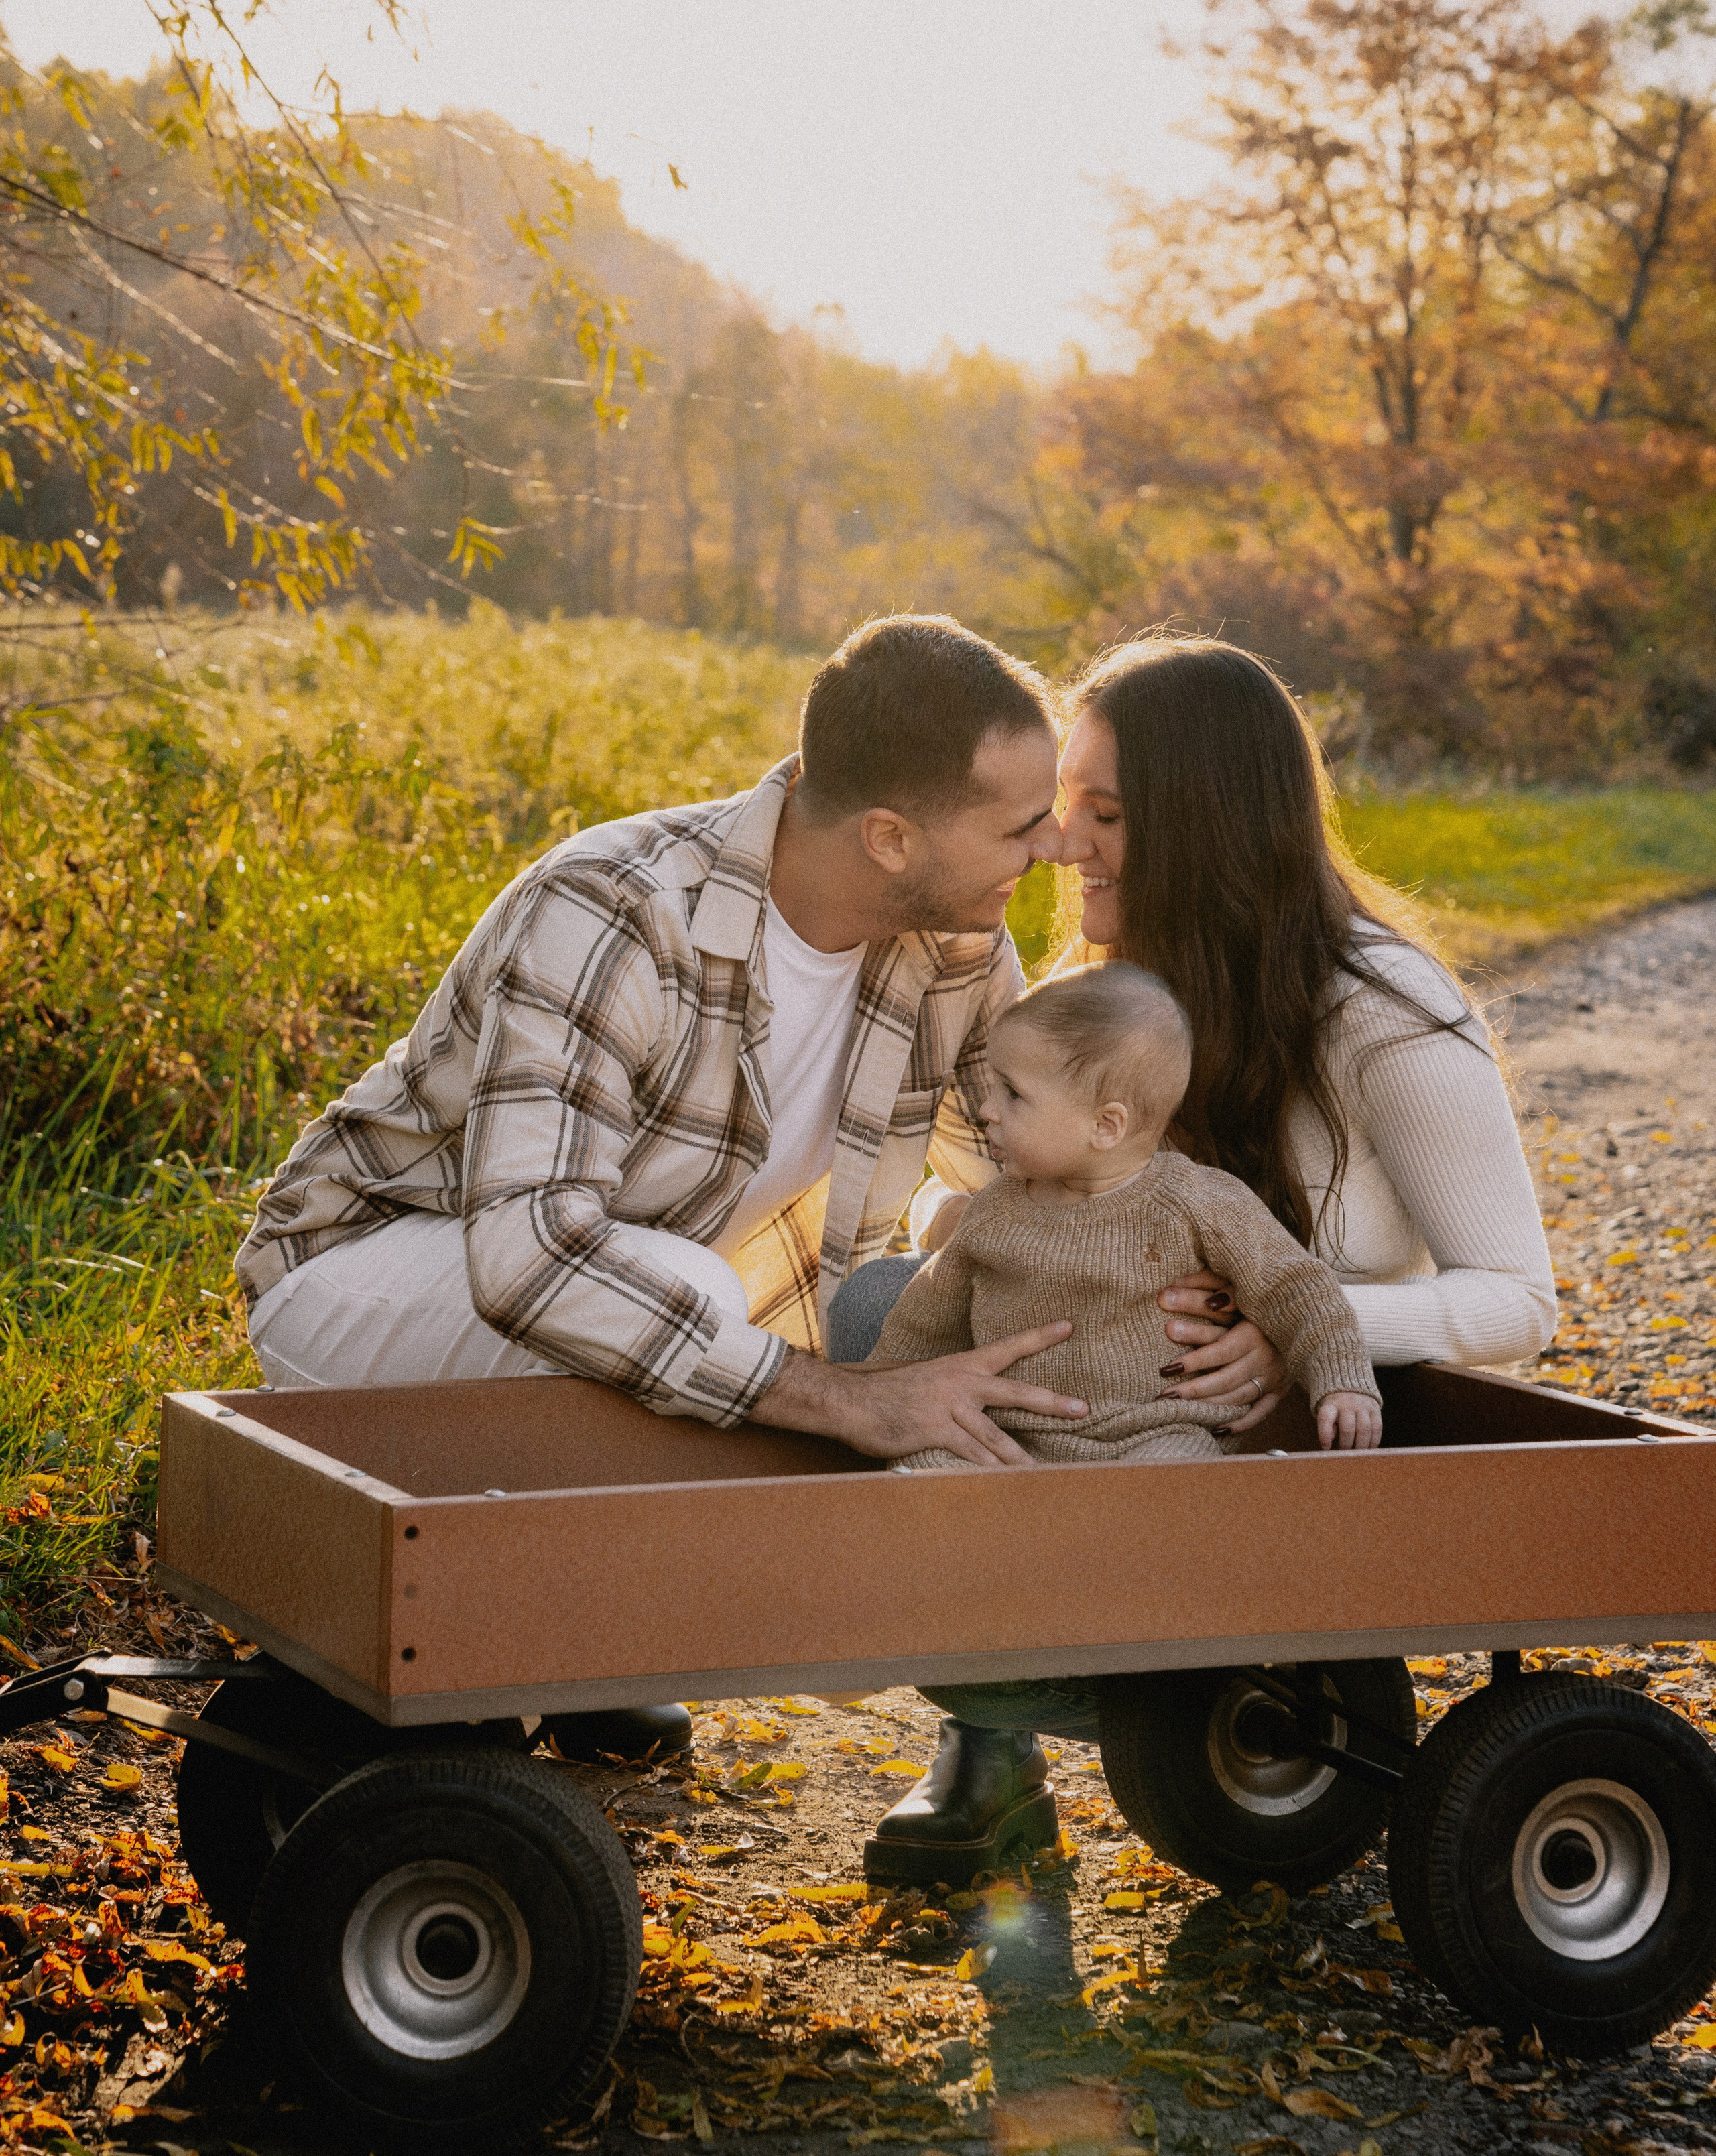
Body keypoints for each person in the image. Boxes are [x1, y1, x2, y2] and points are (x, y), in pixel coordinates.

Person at [234, 613, 1093, 1757]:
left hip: (631, 1297)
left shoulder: (955, 952)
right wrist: (850, 1405)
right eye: (1021, 824)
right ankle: (528, 1646)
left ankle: (587, 1639)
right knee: (685, 1287)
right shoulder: (613, 910)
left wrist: (1192, 1289)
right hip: (369, 1285)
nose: (1052, 848)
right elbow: (532, 1261)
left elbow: (1034, 1189)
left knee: (829, 1299)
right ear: (890, 836)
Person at [849, 633, 1554, 1885]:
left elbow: (1518, 1301)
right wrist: (961, 1245)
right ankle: (993, 1729)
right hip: (1095, 1422)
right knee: (871, 1315)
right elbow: (990, 1213)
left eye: (1103, 813)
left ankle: (1156, 1698)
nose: (1062, 846)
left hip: (1271, 1443)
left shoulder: (1386, 1011)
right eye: (1063, 807)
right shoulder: (1112, 995)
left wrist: (1300, 1323)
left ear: (1207, 827)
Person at [876, 960, 1381, 1470]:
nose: (988, 1108)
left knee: (1182, 1480)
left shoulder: (1195, 1200)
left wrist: (1341, 1380)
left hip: (1157, 1431)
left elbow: (1295, 1286)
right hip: (1010, 1440)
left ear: (1106, 1126)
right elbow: (922, 1325)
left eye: (1013, 1093)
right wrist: (880, 1402)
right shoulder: (993, 1212)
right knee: (922, 1466)